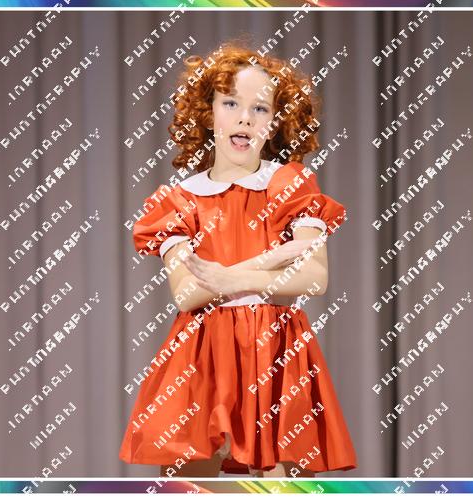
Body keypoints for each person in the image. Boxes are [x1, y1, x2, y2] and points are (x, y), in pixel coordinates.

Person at [118, 41, 357, 478]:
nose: (245, 117)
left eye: (260, 108)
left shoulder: (290, 184)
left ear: (275, 121)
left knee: (281, 482)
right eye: (231, 103)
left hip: (277, 351)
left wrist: (226, 279)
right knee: (192, 484)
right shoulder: (178, 200)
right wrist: (271, 260)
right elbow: (187, 294)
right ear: (209, 113)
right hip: (202, 356)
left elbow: (314, 276)